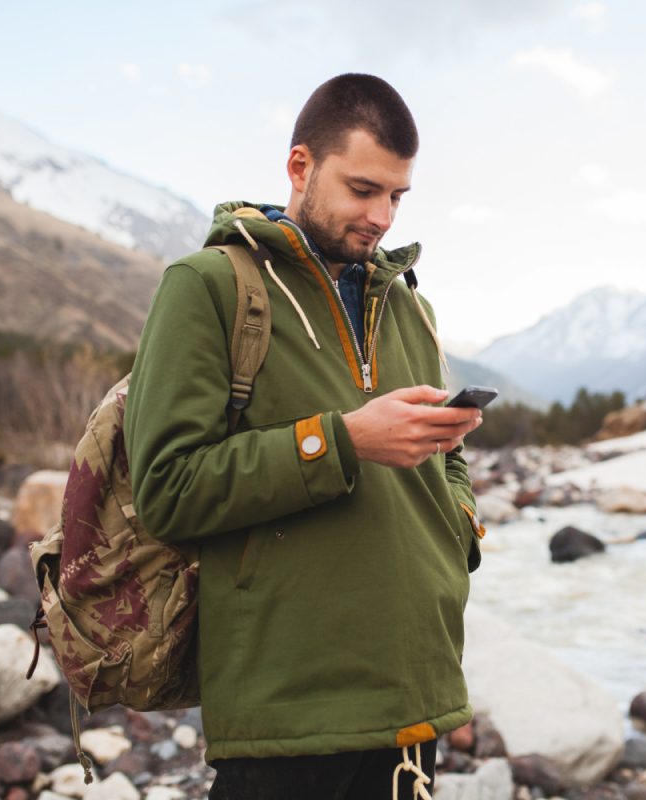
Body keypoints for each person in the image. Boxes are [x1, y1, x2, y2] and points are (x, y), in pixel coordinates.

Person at [124, 73, 485, 799]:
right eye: (362, 189)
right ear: (301, 167)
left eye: (397, 196)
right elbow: (167, 489)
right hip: (287, 711)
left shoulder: (412, 309)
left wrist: (460, 529)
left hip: (414, 702)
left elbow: (451, 463)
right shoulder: (208, 287)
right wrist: (342, 442)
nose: (382, 215)